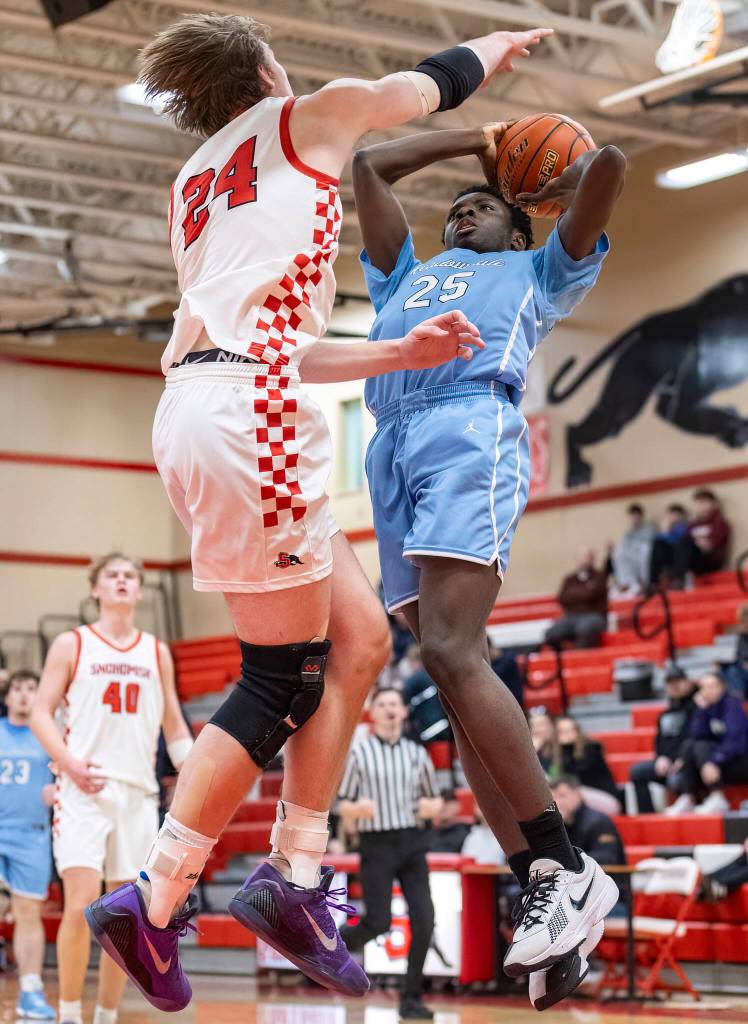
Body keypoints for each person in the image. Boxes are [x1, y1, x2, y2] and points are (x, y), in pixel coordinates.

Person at [84, 13, 555, 1012]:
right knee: (277, 677)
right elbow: (423, 86)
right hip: (250, 412)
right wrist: (496, 46)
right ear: (263, 66)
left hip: (210, 403)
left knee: (358, 642)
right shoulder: (303, 118)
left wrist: (395, 352)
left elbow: (268, 340)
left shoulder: (194, 186)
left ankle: (292, 875)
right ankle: (158, 900)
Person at [352, 115, 624, 1008]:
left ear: (523, 226)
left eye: (484, 207)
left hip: (470, 429)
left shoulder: (541, 270)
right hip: (389, 448)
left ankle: (566, 864)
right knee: (450, 683)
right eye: (457, 211)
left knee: (450, 653)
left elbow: (609, 168)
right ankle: (545, 885)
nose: (464, 213)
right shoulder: (404, 276)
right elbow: (368, 166)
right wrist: (476, 139)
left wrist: (549, 159)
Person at [31, 553, 193, 1024]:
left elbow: (175, 725)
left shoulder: (156, 651)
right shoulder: (72, 643)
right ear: (95, 589)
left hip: (138, 794)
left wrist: (193, 776)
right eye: (112, 576)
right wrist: (68, 764)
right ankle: (66, 1013)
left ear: (139, 591)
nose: (122, 582)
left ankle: (105, 1016)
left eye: (130, 576)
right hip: (82, 789)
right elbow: (42, 712)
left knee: (122, 918)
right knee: (81, 900)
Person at [337, 687, 444, 1019]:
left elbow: (437, 800)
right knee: (379, 921)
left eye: (394, 704)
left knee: (425, 920)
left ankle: (410, 998)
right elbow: (342, 804)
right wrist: (357, 810)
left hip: (413, 843)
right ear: (373, 713)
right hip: (377, 843)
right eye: (382, 704)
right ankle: (332, 944)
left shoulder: (417, 753)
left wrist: (432, 806)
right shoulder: (360, 752)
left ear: (403, 711)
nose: (389, 709)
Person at [0, 671, 55, 1020]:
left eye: (31, 689)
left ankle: (31, 991)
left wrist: (59, 790)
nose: (23, 696)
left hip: (32, 834)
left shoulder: (49, 736)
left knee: (28, 914)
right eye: (17, 689)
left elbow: (69, 775)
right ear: (6, 697)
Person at [666, 671, 748, 816]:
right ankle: (688, 797)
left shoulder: (733, 706)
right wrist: (701, 711)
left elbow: (736, 744)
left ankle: (717, 796)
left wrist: (714, 761)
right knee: (690, 745)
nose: (708, 691)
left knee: (700, 748)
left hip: (739, 760)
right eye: (704, 687)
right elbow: (697, 735)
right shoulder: (706, 708)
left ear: (722, 687)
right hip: (716, 761)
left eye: (712, 686)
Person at [629, 669, 697, 813]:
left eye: (677, 681)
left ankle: (688, 801)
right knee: (637, 772)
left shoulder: (697, 708)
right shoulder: (664, 715)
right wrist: (661, 758)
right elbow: (659, 742)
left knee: (679, 777)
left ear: (687, 682)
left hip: (688, 761)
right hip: (667, 762)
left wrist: (683, 758)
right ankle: (647, 816)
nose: (674, 686)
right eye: (670, 683)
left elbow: (695, 737)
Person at [556, 716, 621, 816]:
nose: (566, 735)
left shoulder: (592, 748)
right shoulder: (556, 754)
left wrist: (566, 748)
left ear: (577, 731)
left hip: (607, 799)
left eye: (569, 730)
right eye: (562, 732)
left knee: (569, 791)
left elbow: (577, 776)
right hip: (579, 802)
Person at [546, 548, 608, 649]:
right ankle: (562, 657)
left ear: (593, 559)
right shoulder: (569, 579)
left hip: (594, 615)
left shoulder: (599, 577)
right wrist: (584, 592)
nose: (584, 560)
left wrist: (574, 594)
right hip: (571, 616)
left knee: (585, 629)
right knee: (551, 633)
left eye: (587, 557)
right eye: (581, 557)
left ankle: (580, 656)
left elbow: (592, 595)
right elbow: (562, 598)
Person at [608, 503, 656, 597]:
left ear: (641, 516)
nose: (633, 519)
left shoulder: (649, 528)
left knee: (645, 550)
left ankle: (645, 584)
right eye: (631, 516)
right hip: (632, 559)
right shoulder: (628, 532)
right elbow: (624, 547)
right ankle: (628, 584)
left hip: (645, 557)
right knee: (618, 552)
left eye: (635, 516)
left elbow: (649, 544)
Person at [688, 489, 731, 576]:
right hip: (692, 558)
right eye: (699, 502)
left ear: (713, 504)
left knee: (688, 543)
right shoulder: (693, 524)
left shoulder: (720, 523)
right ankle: (655, 581)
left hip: (710, 560)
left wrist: (695, 541)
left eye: (704, 502)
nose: (701, 505)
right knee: (661, 544)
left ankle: (680, 578)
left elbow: (710, 546)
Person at [649, 503, 691, 589]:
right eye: (671, 514)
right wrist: (665, 530)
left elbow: (677, 540)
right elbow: (658, 539)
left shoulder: (684, 527)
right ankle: (653, 581)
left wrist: (667, 531)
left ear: (681, 516)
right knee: (656, 545)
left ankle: (678, 579)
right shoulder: (668, 529)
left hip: (680, 556)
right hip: (669, 556)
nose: (674, 517)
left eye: (676, 514)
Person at [721, 604, 748, 699]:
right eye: (743, 621)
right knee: (728, 671)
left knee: (733, 672)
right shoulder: (742, 637)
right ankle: (738, 702)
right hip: (743, 670)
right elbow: (740, 657)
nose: (745, 624)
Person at [528, 708, 559, 775]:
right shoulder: (528, 750)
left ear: (552, 726)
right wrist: (531, 752)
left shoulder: (562, 746)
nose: (537, 730)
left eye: (541, 725)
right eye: (532, 726)